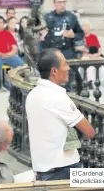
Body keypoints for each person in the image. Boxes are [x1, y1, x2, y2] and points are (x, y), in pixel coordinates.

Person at [25, 48, 95, 181]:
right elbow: (89, 131)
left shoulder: (32, 94)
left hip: (43, 170)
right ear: (54, 71)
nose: (68, 68)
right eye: (64, 64)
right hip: (63, 171)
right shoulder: (57, 97)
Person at [42, 0, 85, 94]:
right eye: (59, 2)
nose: (62, 5)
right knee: (52, 83)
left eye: (64, 2)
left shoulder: (72, 17)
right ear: (54, 3)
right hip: (51, 53)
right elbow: (39, 36)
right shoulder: (47, 17)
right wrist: (41, 36)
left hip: (68, 53)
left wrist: (73, 35)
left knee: (70, 82)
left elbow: (81, 34)